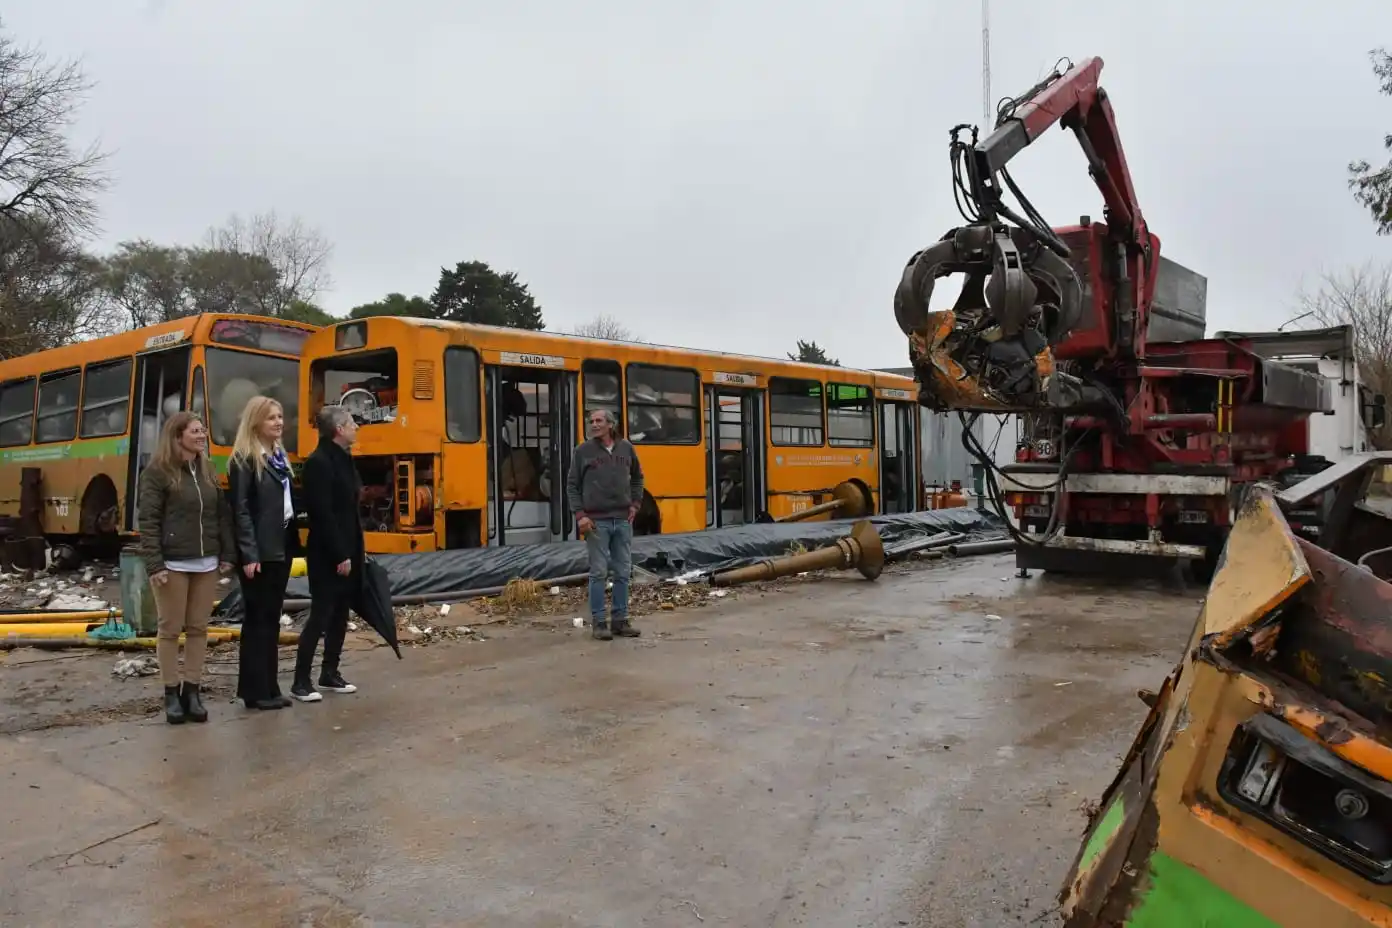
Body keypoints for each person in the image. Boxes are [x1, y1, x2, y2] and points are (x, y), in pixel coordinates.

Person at [135, 412, 234, 725]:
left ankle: (192, 691)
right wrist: (155, 564)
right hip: (172, 564)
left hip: (206, 563)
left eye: (203, 430)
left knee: (198, 628)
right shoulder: (157, 473)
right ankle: (170, 693)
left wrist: (226, 553)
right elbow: (148, 521)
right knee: (170, 629)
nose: (202, 435)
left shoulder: (207, 470)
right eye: (195, 431)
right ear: (177, 437)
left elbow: (221, 515)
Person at [227, 395, 300, 711]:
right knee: (257, 621)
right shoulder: (244, 459)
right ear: (256, 421)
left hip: (280, 547)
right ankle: (254, 691)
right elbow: (240, 510)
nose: (279, 422)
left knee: (271, 620)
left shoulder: (278, 458)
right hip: (259, 552)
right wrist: (249, 554)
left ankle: (270, 686)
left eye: (281, 416)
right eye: (272, 418)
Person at [293, 405, 364, 702]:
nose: (356, 428)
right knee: (321, 614)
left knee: (340, 614)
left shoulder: (345, 460)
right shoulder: (318, 463)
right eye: (351, 423)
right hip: (328, 553)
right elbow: (323, 513)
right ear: (338, 429)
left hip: (349, 548)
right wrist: (339, 554)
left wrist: (357, 550)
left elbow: (350, 510)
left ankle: (329, 672)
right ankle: (300, 681)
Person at [565, 408, 645, 641]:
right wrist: (580, 515)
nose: (594, 425)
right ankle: (599, 623)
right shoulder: (583, 451)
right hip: (596, 522)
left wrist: (635, 504)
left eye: (599, 421)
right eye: (592, 421)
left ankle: (620, 621)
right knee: (598, 573)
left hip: (622, 520)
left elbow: (638, 477)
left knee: (622, 572)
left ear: (611, 424)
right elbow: (572, 485)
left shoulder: (627, 448)